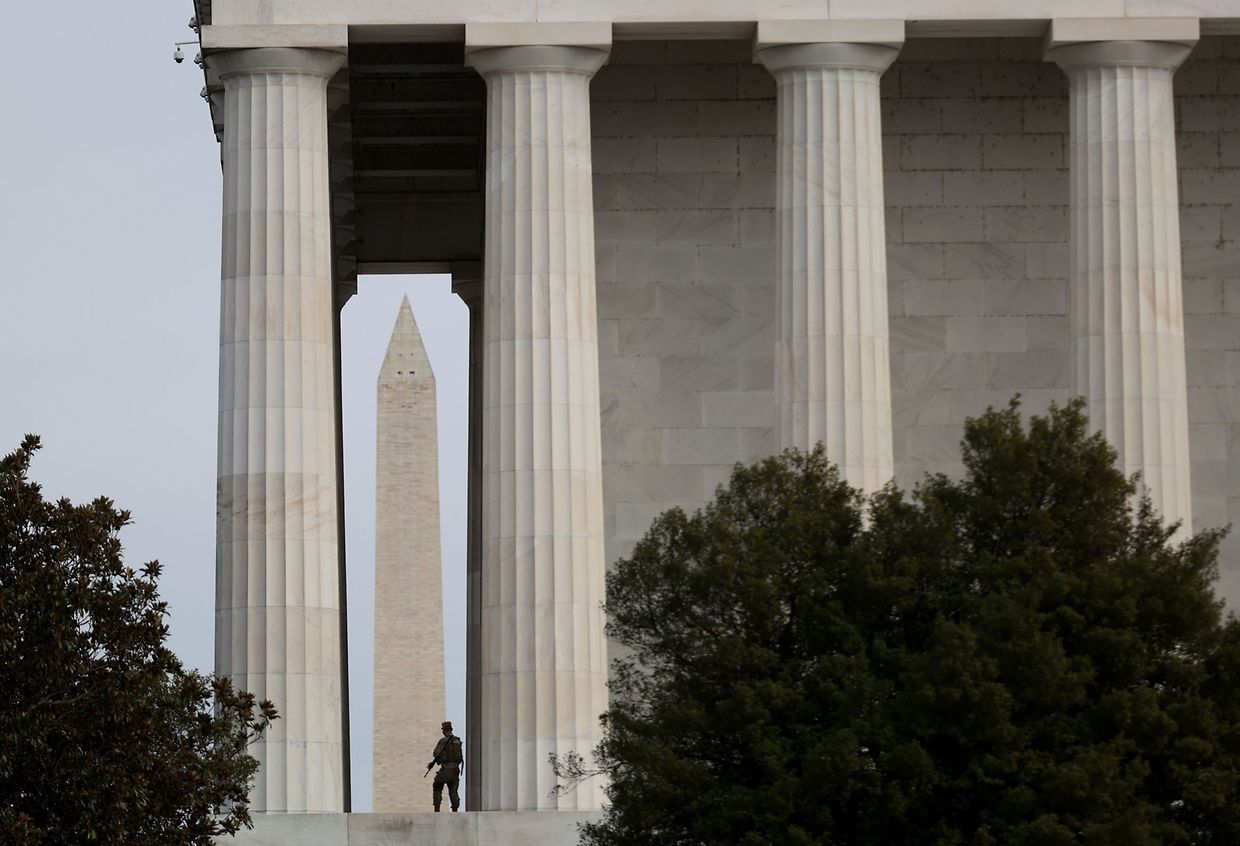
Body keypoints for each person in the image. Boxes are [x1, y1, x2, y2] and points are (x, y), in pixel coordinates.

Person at [428, 720, 463, 812]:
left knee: (437, 786)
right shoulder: (457, 740)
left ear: (444, 730)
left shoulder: (443, 740)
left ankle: (437, 808)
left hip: (447, 769)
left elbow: (436, 754)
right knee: (453, 790)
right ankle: (455, 809)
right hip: (455, 769)